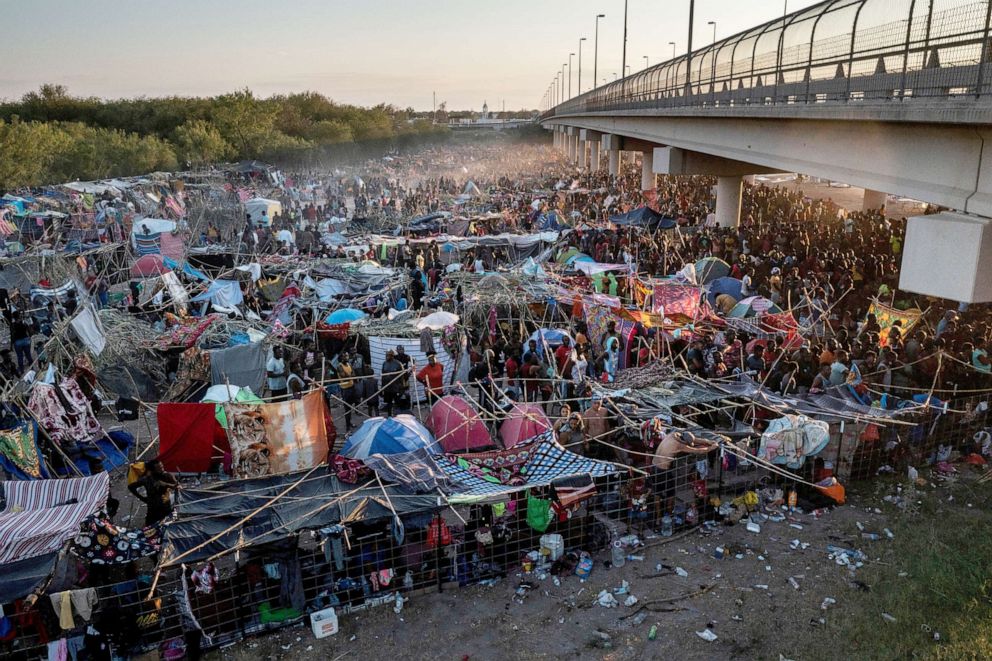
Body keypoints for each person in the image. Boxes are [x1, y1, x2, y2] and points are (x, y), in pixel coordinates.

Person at [128, 459, 179, 526]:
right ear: (152, 470)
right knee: (149, 528)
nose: (162, 469)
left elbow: (178, 486)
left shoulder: (167, 476)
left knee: (168, 525)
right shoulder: (147, 479)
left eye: (162, 467)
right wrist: (142, 498)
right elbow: (131, 487)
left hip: (165, 506)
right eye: (159, 468)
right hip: (152, 508)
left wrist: (166, 484)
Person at [381, 350, 404, 417]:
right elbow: (383, 376)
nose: (386, 356)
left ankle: (397, 416)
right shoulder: (384, 363)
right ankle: (389, 416)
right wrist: (382, 387)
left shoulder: (398, 364)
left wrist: (401, 387)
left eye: (388, 355)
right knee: (389, 403)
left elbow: (402, 377)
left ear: (392, 356)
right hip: (387, 388)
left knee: (397, 403)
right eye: (386, 355)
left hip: (395, 387)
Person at [338, 353, 357, 431]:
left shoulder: (349, 364)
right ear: (342, 357)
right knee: (347, 408)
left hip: (352, 387)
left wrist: (349, 376)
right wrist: (350, 376)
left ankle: (349, 423)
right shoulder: (339, 366)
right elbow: (344, 377)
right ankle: (347, 427)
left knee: (352, 405)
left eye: (347, 356)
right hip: (345, 389)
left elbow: (354, 374)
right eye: (345, 356)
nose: (347, 357)